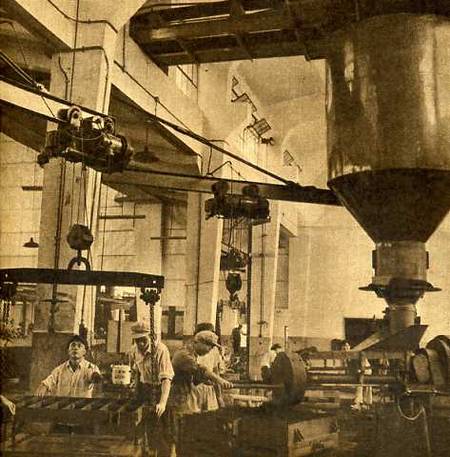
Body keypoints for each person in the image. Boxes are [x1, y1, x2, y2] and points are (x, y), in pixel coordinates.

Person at [129, 321, 174, 457]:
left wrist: (162, 403)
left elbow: (166, 379)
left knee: (164, 427)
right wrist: (135, 389)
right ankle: (145, 452)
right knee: (144, 425)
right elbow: (136, 371)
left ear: (151, 336)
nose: (141, 343)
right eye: (137, 340)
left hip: (161, 390)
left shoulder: (161, 350)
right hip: (144, 389)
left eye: (143, 339)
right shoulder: (133, 351)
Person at [35, 335, 101, 398]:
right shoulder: (59, 370)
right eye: (73, 345)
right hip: (63, 404)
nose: (75, 348)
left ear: (84, 351)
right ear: (68, 351)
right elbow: (49, 380)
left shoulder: (90, 367)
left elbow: (94, 375)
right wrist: (43, 386)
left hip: (82, 404)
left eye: (79, 346)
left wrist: (95, 376)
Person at [194, 322, 226, 411]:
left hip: (209, 389)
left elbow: (216, 372)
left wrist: (219, 396)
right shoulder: (192, 350)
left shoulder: (214, 351)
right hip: (195, 389)